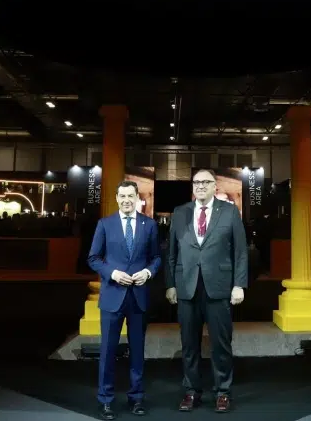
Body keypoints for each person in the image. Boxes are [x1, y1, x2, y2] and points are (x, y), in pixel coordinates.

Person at [166, 169, 248, 413]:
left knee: (221, 344)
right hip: (186, 287)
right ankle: (191, 391)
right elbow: (170, 253)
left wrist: (239, 284)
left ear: (215, 186)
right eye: (197, 182)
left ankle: (222, 392)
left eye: (206, 182)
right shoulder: (180, 213)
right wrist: (170, 284)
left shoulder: (230, 211)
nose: (200, 186)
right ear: (192, 187)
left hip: (219, 287)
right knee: (189, 344)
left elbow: (240, 252)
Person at [87, 180, 161, 420]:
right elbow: (94, 258)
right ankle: (106, 400)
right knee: (107, 351)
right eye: (123, 196)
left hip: (138, 297)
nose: (127, 200)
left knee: (138, 352)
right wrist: (112, 273)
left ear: (137, 197)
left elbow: (156, 258)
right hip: (111, 297)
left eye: (131, 195)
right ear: (117, 198)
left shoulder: (149, 225)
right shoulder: (105, 224)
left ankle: (136, 397)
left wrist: (148, 273)